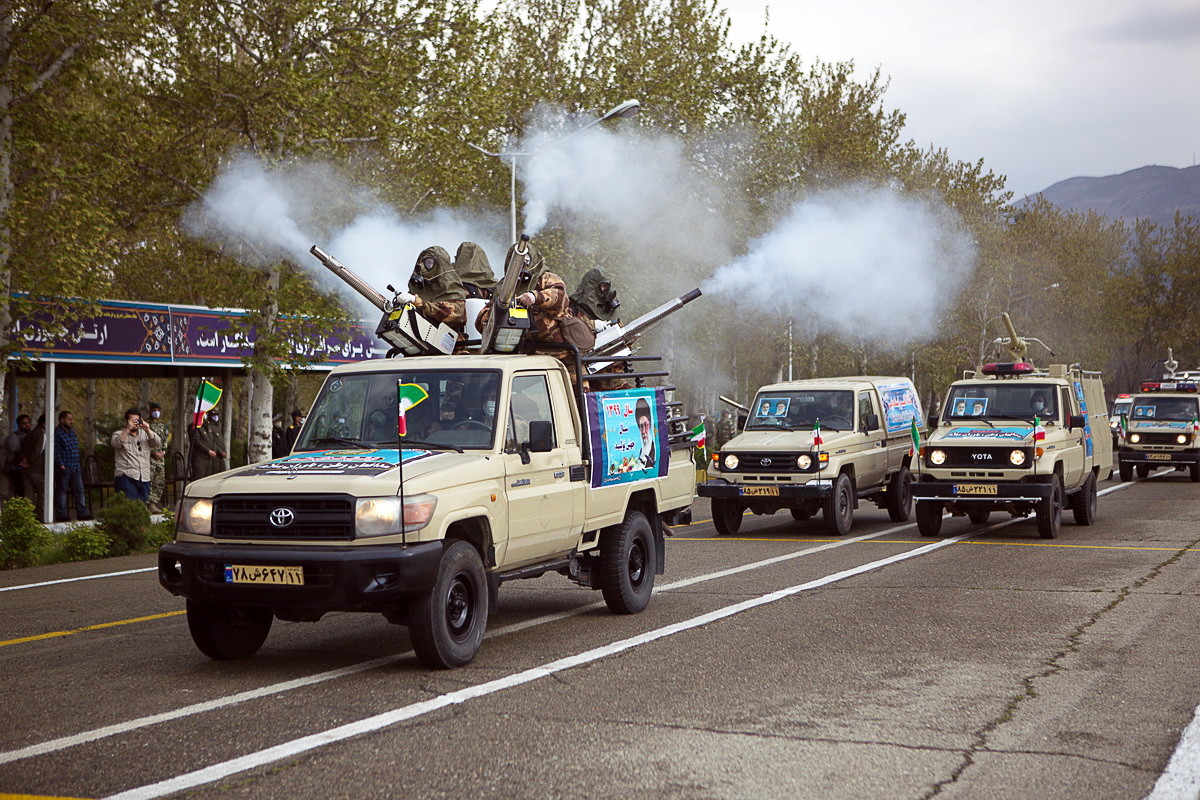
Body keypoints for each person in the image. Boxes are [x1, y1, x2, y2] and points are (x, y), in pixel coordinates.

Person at [402, 245, 467, 333]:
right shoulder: (420, 287)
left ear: (439, 265)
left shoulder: (452, 286)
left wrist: (422, 304)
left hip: (449, 341)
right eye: (422, 262)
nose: (422, 267)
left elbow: (458, 315)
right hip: (419, 336)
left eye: (429, 263)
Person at [112, 407, 161, 505]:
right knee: (129, 508)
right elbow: (116, 444)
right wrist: (127, 429)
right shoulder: (118, 434)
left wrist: (147, 429)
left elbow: (157, 443)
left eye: (137, 420)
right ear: (126, 421)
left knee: (141, 508)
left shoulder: (145, 433)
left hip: (144, 477)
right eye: (132, 420)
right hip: (126, 476)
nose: (135, 423)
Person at [53, 410, 91, 521]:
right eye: (69, 419)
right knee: (62, 491)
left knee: (79, 490)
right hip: (64, 467)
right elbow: (56, 451)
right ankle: (61, 514)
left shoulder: (72, 433)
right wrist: (61, 465)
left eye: (72, 419)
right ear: (62, 420)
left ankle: (82, 513)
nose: (71, 421)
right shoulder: (57, 433)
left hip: (75, 466)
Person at [146, 401, 171, 513]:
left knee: (159, 481)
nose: (156, 412)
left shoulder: (162, 424)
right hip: (149, 458)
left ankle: (153, 503)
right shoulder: (146, 424)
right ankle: (146, 504)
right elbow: (144, 440)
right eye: (154, 410)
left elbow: (165, 439)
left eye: (158, 410)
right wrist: (153, 452)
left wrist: (163, 452)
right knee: (149, 480)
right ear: (150, 410)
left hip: (161, 458)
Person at [189, 410, 227, 480]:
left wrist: (215, 450)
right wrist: (208, 451)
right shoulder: (194, 426)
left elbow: (212, 441)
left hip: (209, 459)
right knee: (199, 480)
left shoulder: (207, 426)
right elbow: (196, 441)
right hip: (200, 459)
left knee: (208, 480)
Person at [21, 414, 47, 512]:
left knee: (28, 496)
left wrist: (24, 461)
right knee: (42, 495)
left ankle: (27, 518)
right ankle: (41, 517)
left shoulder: (29, 434)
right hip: (38, 470)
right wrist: (29, 461)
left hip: (27, 470)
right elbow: (38, 451)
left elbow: (22, 449)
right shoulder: (42, 434)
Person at [5, 414, 32, 499]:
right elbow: (14, 449)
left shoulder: (31, 435)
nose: (27, 425)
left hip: (27, 468)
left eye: (28, 422)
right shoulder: (14, 436)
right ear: (19, 425)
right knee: (19, 491)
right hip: (16, 468)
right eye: (24, 423)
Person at [635, 398, 656, 470]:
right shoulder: (642, 451)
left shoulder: (655, 449)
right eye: (641, 426)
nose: (643, 431)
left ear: (650, 425)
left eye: (645, 425)